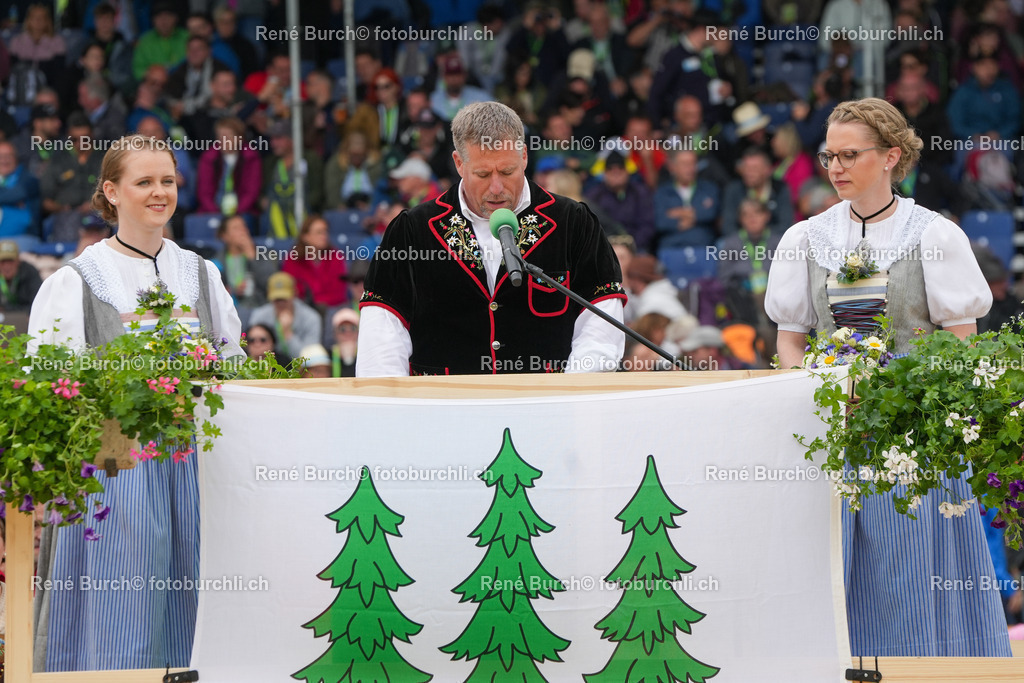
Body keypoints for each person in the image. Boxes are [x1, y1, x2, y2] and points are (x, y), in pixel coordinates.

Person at [765, 97, 1011, 657]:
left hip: (912, 434)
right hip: (832, 430)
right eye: (829, 155)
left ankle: (920, 662)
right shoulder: (805, 238)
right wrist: (815, 392)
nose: (836, 167)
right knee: (829, 568)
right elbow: (791, 338)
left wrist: (902, 394)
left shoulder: (934, 236)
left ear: (892, 155)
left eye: (850, 155)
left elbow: (960, 340)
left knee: (908, 567)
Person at [28, 134, 243, 671]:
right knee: (123, 610)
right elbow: (50, 385)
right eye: (144, 182)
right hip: (114, 471)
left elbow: (233, 367)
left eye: (167, 180)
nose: (159, 192)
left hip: (196, 471)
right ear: (111, 192)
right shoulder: (76, 281)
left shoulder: (202, 274)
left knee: (197, 612)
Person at [357, 100, 626, 376]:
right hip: (443, 402)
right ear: (459, 163)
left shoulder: (573, 222)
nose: (496, 188)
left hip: (545, 400)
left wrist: (569, 393)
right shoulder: (412, 230)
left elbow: (601, 322)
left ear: (524, 156)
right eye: (483, 174)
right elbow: (382, 331)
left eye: (507, 172)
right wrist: (388, 399)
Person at [248, 272, 323, 360]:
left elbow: (310, 358)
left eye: (284, 299)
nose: (281, 303)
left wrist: (287, 334)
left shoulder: (311, 318)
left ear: (295, 293)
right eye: (277, 299)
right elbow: (252, 351)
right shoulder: (259, 316)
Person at [282, 214, 348, 312]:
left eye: (325, 231)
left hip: (333, 310)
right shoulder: (293, 259)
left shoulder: (336, 256)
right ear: (305, 237)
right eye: (319, 232)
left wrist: (317, 303)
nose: (324, 236)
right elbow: (291, 290)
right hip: (302, 310)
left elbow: (339, 292)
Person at [0, 240, 43, 311]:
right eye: (3, 262)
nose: (6, 266)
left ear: (18, 261)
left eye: (10, 261)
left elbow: (39, 304)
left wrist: (6, 309)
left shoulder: (30, 272)